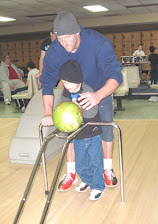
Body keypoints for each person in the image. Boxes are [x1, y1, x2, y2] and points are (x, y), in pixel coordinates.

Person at [39, 10, 123, 191]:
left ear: (77, 32)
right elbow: (46, 84)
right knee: (70, 133)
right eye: (59, 39)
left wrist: (98, 95)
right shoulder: (55, 51)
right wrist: (47, 112)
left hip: (100, 91)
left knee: (106, 130)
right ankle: (71, 172)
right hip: (70, 93)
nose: (63, 43)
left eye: (67, 38)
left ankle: (107, 170)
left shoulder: (97, 42)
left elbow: (116, 76)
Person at [58, 59, 105, 200]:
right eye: (64, 83)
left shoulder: (87, 91)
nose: (67, 86)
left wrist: (76, 107)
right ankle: (87, 180)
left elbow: (90, 113)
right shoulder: (66, 93)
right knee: (80, 162)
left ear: (78, 80)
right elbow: (62, 108)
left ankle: (97, 186)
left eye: (69, 82)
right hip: (77, 134)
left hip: (92, 133)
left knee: (95, 161)